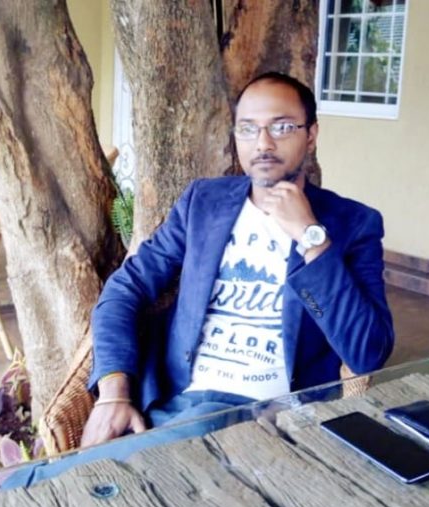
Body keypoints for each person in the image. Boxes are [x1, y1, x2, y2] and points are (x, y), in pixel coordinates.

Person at [81, 71, 394, 448]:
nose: (263, 143)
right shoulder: (203, 203)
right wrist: (114, 392)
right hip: (180, 406)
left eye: (281, 127)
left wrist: (311, 237)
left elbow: (367, 352)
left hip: (270, 417)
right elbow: (124, 289)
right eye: (247, 128)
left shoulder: (353, 224)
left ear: (311, 135)